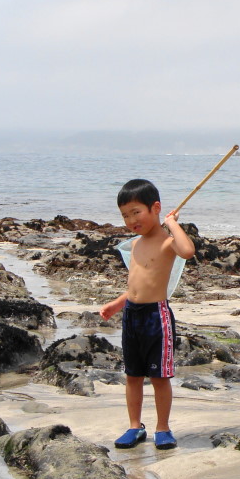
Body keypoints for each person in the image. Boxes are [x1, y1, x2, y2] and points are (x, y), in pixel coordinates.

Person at [100, 179, 196, 450]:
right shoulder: (136, 245)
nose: (131, 220)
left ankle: (162, 428)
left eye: (136, 212)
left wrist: (173, 223)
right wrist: (117, 304)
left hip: (157, 317)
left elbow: (187, 251)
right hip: (132, 315)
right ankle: (134, 426)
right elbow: (135, 284)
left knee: (159, 377)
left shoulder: (167, 243)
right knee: (132, 375)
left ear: (155, 208)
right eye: (125, 215)